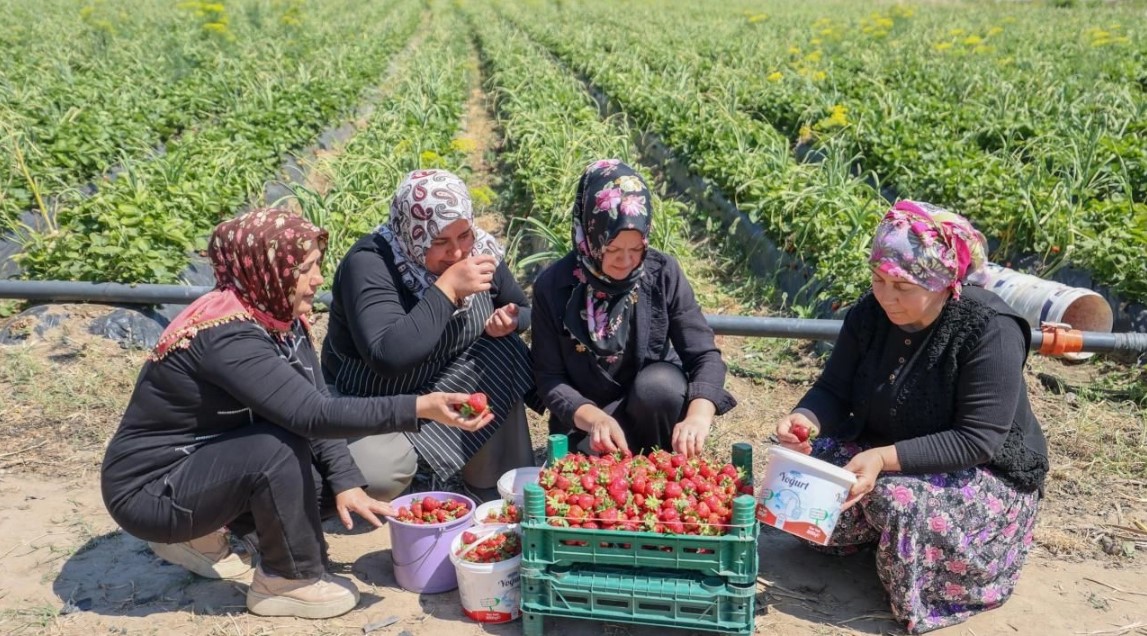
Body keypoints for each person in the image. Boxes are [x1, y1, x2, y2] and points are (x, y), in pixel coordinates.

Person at [101, 209, 491, 620]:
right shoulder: (227, 335)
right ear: (266, 270)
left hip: (206, 465)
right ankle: (287, 580)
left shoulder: (278, 320)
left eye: (317, 266)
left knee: (337, 479)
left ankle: (202, 534)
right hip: (150, 490)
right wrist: (419, 406)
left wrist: (344, 483)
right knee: (275, 448)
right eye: (304, 269)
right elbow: (311, 414)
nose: (318, 280)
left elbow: (312, 396)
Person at [774, 200, 1049, 634]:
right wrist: (805, 418)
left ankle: (946, 580)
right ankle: (885, 543)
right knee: (805, 479)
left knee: (894, 500)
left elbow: (978, 439)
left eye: (902, 286)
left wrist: (883, 459)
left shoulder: (990, 328)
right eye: (879, 279)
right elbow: (832, 389)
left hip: (981, 473)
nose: (886, 296)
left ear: (942, 283)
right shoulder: (870, 313)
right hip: (886, 450)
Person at [322, 169, 536, 501]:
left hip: (446, 378)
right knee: (378, 475)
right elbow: (388, 356)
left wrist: (512, 319)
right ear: (413, 234)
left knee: (503, 351)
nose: (457, 253)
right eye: (440, 242)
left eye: (464, 235)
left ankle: (486, 483)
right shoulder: (370, 264)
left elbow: (522, 308)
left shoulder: (479, 250)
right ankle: (418, 465)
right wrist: (447, 288)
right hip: (375, 398)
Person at [530, 159, 736, 457]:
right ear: (589, 235)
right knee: (584, 484)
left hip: (650, 408)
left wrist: (698, 416)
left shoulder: (662, 272)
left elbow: (704, 354)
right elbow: (549, 378)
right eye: (612, 249)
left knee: (660, 387)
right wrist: (595, 418)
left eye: (636, 249)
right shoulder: (554, 287)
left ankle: (660, 461)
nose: (625, 261)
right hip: (588, 420)